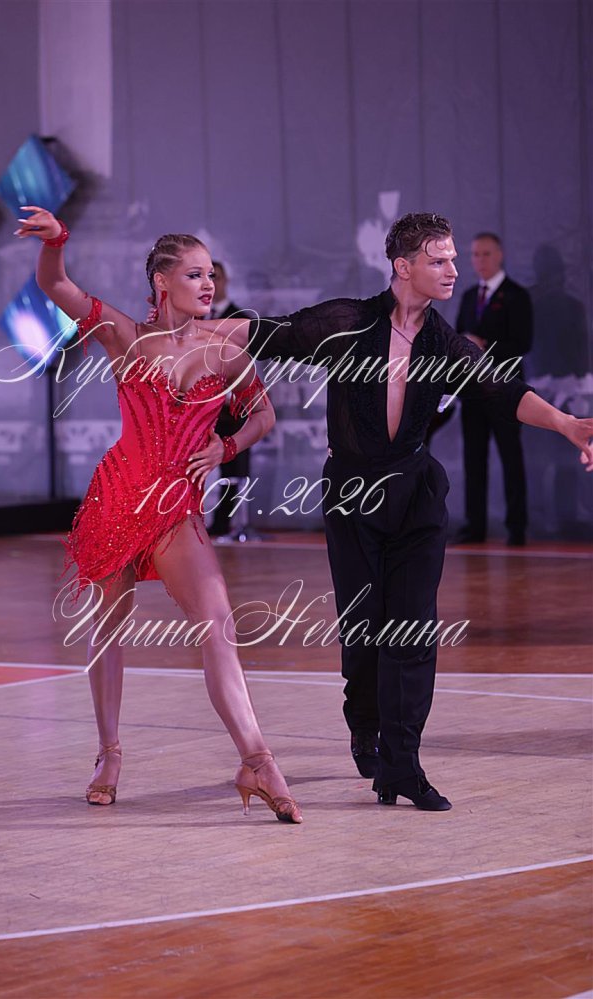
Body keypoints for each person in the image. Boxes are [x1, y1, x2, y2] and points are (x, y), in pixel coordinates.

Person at [203, 212, 593, 811]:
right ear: (402, 267)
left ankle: (402, 766)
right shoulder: (346, 322)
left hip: (415, 497)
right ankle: (364, 725)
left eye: (454, 259)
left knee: (412, 630)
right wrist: (184, 329)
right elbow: (267, 333)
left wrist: (567, 424)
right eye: (439, 260)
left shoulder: (443, 341)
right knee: (364, 630)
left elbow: (500, 389)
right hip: (352, 497)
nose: (453, 270)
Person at [13, 205, 302, 823]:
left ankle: (257, 760)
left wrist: (226, 447)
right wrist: (57, 240)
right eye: (195, 275)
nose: (208, 285)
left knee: (218, 624)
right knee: (108, 629)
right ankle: (109, 754)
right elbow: (54, 284)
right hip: (118, 499)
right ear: (162, 282)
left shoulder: (227, 349)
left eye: (211, 275)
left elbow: (264, 416)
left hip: (176, 509)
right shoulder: (123, 334)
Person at [453, 232, 533, 545]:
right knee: (474, 459)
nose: (480, 260)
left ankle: (517, 527)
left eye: (486, 254)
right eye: (475, 254)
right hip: (473, 391)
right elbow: (457, 338)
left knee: (511, 456)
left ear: (499, 255)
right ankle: (475, 526)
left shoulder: (516, 296)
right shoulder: (469, 296)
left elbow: (522, 343)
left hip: (505, 391)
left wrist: (484, 345)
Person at [208, 261, 254, 537]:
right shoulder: (194, 318)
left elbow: (245, 365)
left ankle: (228, 523)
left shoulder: (240, 318)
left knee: (233, 465)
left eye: (215, 277)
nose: (211, 283)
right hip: (197, 406)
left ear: (225, 281)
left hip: (230, 406)